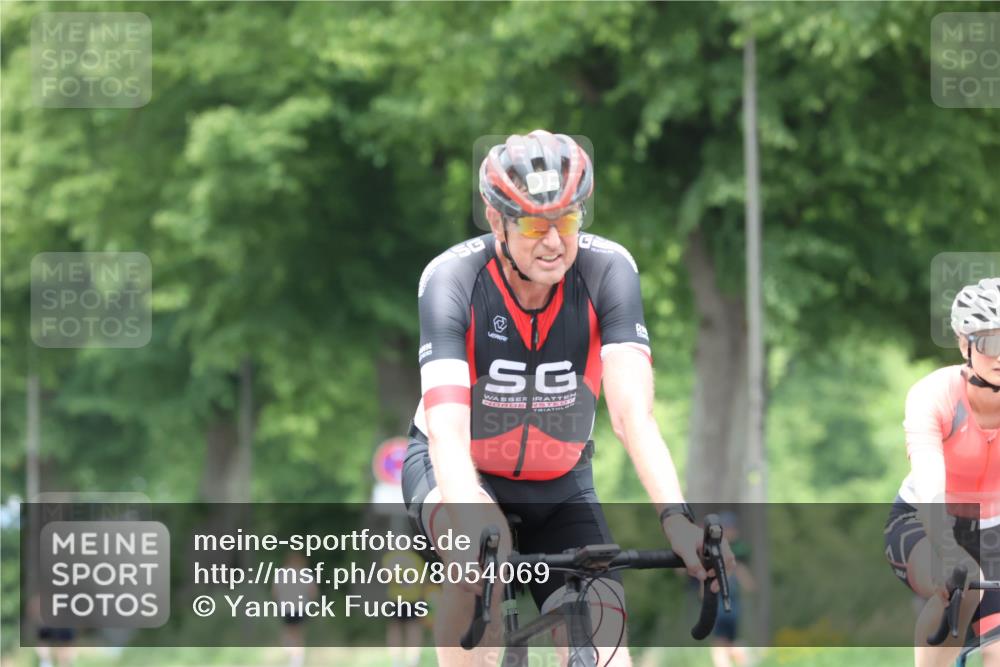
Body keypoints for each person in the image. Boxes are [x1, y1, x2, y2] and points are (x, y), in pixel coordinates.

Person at [402, 129, 733, 667]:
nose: (554, 242)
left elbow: (633, 418)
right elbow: (445, 429)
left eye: (568, 221)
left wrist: (676, 519)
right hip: (456, 472)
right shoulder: (454, 278)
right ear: (496, 220)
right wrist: (469, 522)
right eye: (535, 225)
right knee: (476, 562)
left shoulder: (608, 271)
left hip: (559, 486)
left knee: (605, 643)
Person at [883, 277, 1000, 667]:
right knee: (963, 582)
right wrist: (948, 550)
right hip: (922, 521)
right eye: (989, 341)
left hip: (993, 530)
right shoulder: (934, 395)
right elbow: (931, 482)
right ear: (964, 342)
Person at [271, 552, 318, 667]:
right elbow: (313, 592)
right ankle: (296, 659)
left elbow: (275, 592)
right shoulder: (305, 573)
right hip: (300, 607)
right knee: (297, 633)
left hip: (286, 607)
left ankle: (294, 656)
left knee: (290, 632)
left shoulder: (281, 573)